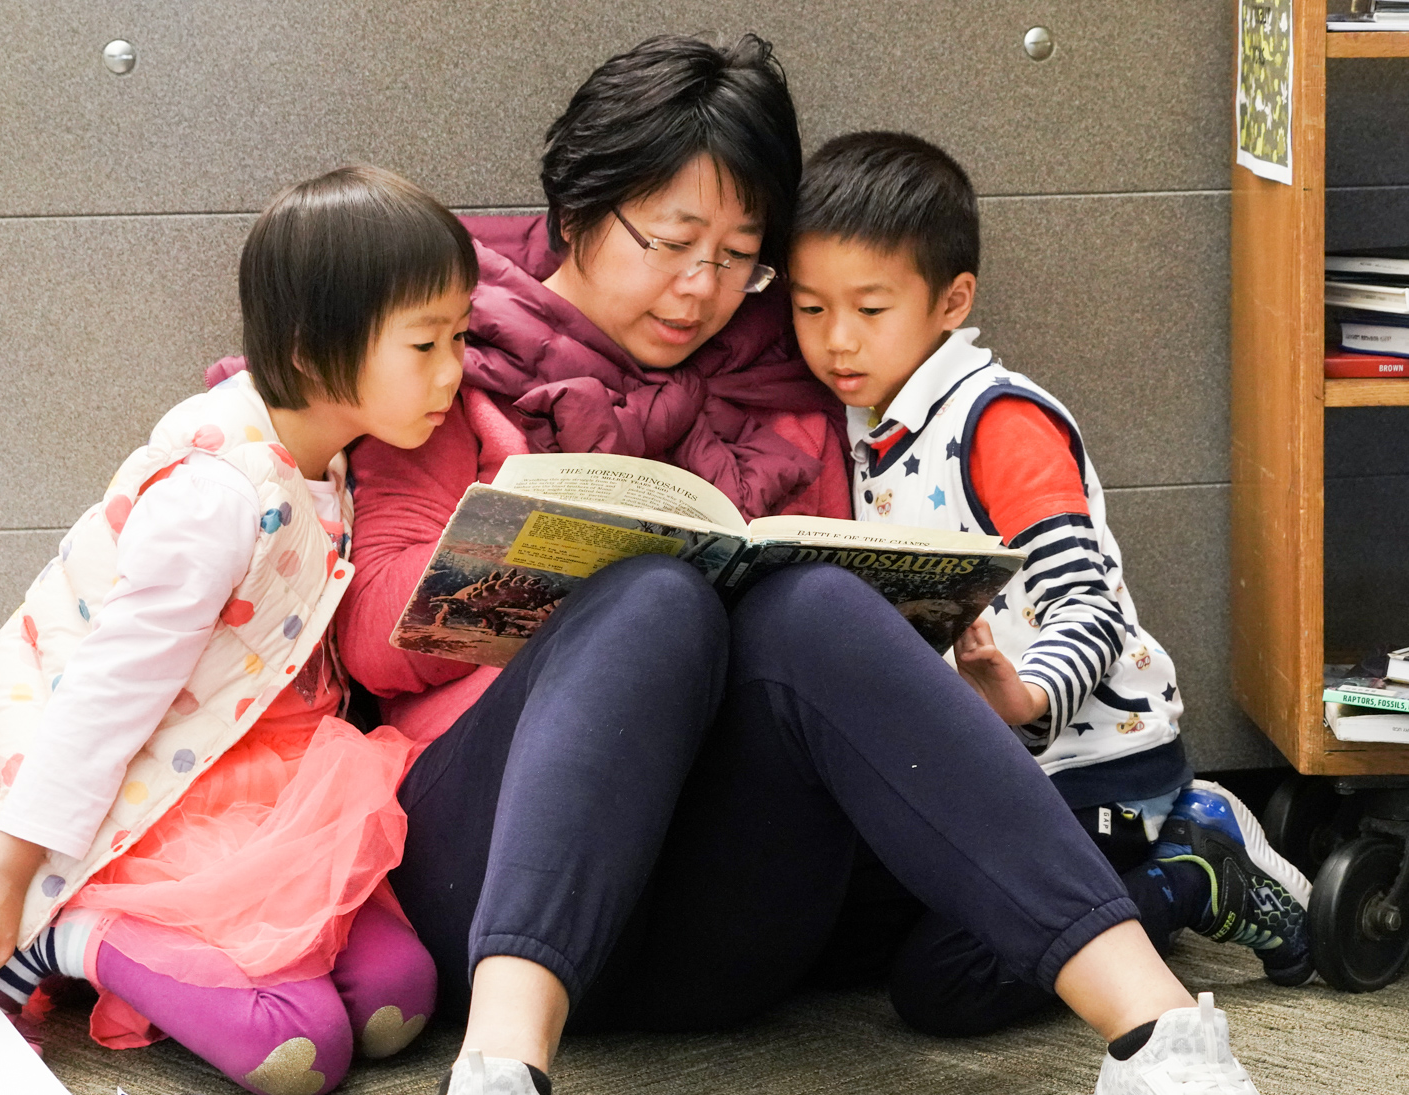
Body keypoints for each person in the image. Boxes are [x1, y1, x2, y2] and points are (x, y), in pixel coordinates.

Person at [334, 35, 1262, 1095]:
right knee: (649, 600)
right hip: (485, 870)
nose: (701, 289)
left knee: (812, 601)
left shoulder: (786, 368)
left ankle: (1165, 1042)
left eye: (739, 256)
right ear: (581, 207)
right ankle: (501, 1069)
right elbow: (368, 632)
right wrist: (538, 566)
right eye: (672, 242)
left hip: (717, 926)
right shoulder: (442, 344)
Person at [0, 165, 473, 1095]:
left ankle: (142, 940)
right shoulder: (220, 495)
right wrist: (10, 879)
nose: (453, 371)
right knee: (302, 1055)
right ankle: (64, 933)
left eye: (460, 335)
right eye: (425, 344)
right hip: (153, 787)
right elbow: (106, 696)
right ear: (311, 346)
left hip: (267, 772)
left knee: (397, 1000)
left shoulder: (329, 456)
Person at [788, 129, 1312, 1034]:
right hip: (973, 767)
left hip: (1086, 770)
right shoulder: (864, 422)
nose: (836, 341)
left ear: (951, 301)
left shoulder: (1001, 424)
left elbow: (1091, 604)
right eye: (808, 308)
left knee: (942, 986)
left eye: (869, 310)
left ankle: (1191, 864)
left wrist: (1026, 699)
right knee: (825, 939)